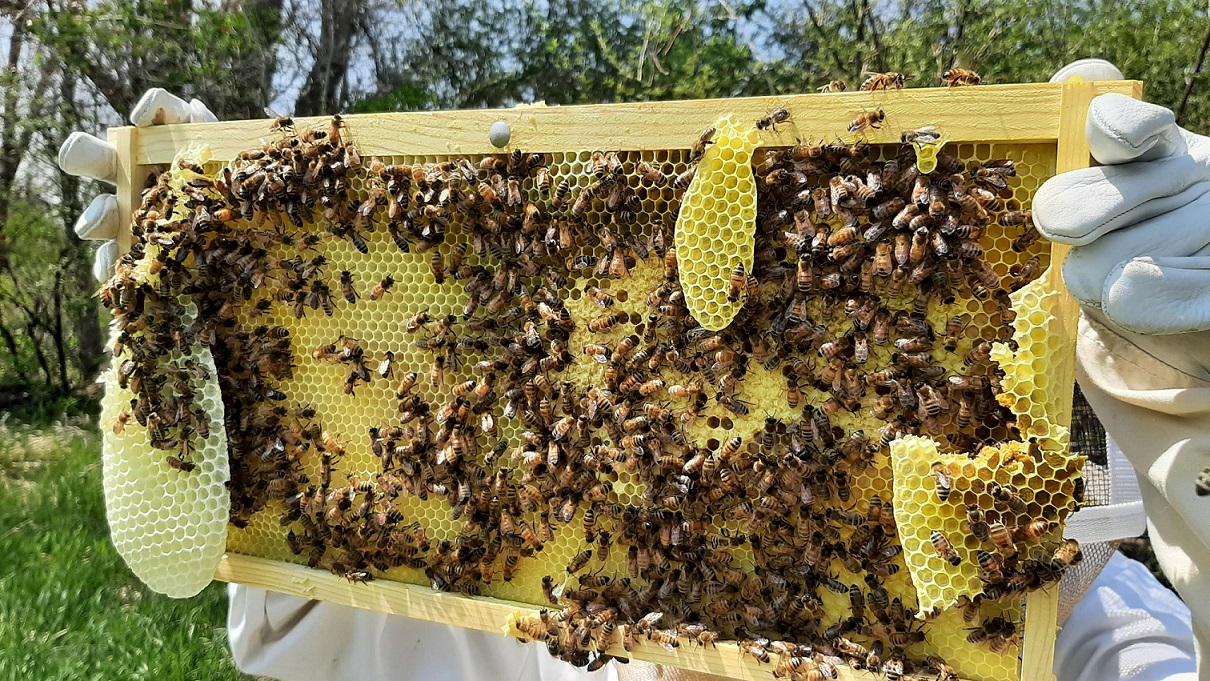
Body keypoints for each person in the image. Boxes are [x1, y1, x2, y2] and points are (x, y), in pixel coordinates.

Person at [57, 59, 1203, 681]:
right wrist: (234, 302)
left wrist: (1193, 448)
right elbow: (303, 623)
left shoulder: (1078, 639)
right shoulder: (532, 589)